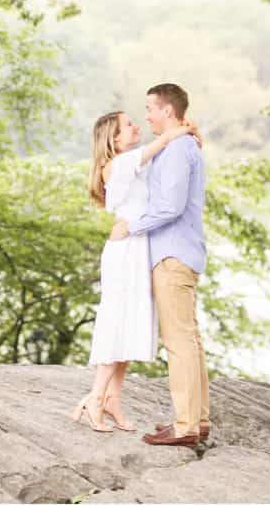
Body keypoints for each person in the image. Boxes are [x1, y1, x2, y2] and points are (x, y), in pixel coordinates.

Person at [71, 109, 201, 432]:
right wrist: (177, 131)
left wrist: (192, 137)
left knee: (131, 321)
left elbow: (163, 170)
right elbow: (160, 145)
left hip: (137, 247)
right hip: (125, 248)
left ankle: (113, 398)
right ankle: (95, 398)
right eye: (128, 125)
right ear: (114, 139)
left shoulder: (132, 164)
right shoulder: (119, 163)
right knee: (118, 320)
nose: (136, 125)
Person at [109, 83, 210, 447]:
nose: (147, 115)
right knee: (189, 339)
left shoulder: (179, 148)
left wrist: (130, 227)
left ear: (168, 110)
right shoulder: (179, 145)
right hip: (178, 252)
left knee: (179, 341)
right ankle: (196, 421)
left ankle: (186, 426)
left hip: (171, 255)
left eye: (150, 108)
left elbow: (171, 207)